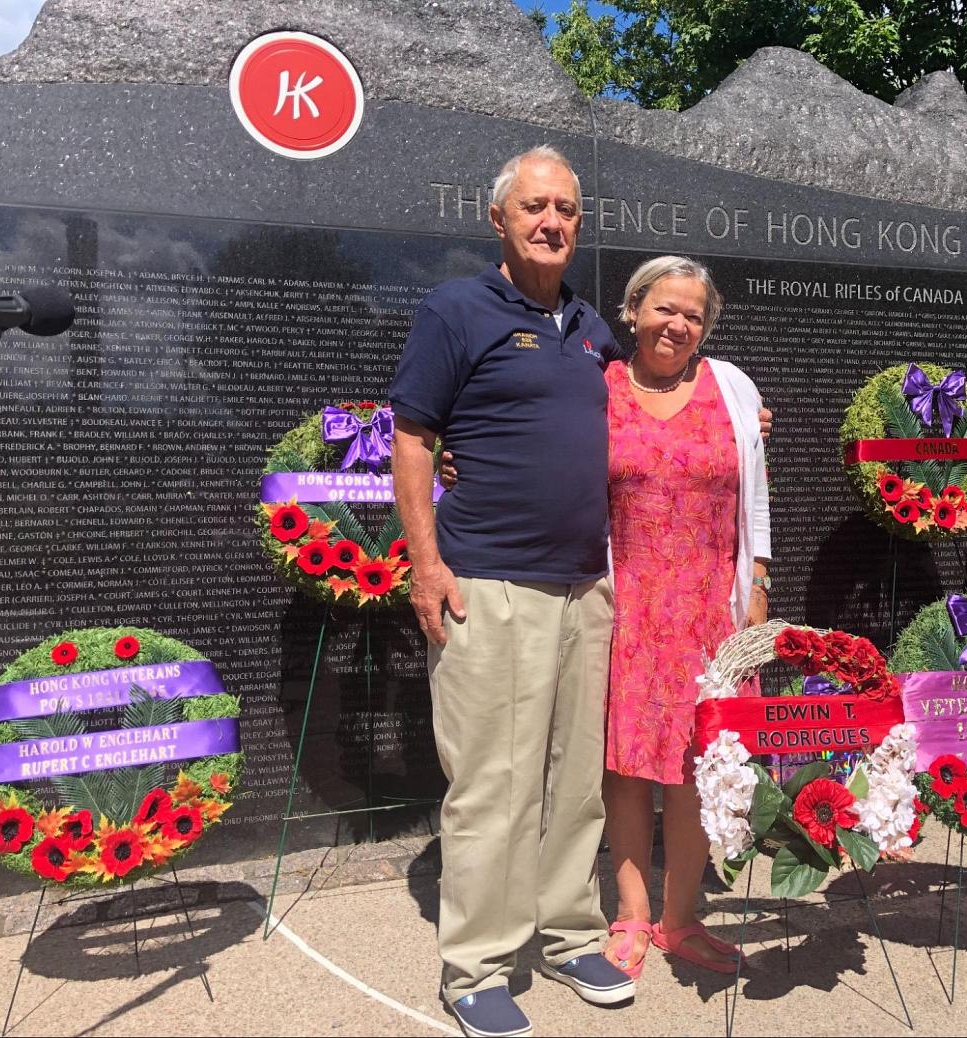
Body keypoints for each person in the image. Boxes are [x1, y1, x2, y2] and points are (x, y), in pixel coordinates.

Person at [389, 145, 636, 1038]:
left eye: (567, 209)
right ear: (498, 217)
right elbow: (412, 439)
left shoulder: (593, 326)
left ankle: (570, 935)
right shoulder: (455, 310)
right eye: (535, 206)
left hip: (583, 591)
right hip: (485, 586)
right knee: (492, 784)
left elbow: (652, 404)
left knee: (575, 783)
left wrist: (740, 413)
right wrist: (426, 565)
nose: (552, 222)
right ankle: (479, 968)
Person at [598, 256, 771, 978]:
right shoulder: (596, 388)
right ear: (633, 310)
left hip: (710, 609)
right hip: (624, 605)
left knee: (701, 768)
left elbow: (754, 493)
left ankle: (681, 920)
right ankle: (632, 916)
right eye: (664, 308)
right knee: (628, 768)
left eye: (694, 315)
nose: (678, 324)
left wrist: (757, 582)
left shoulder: (732, 388)